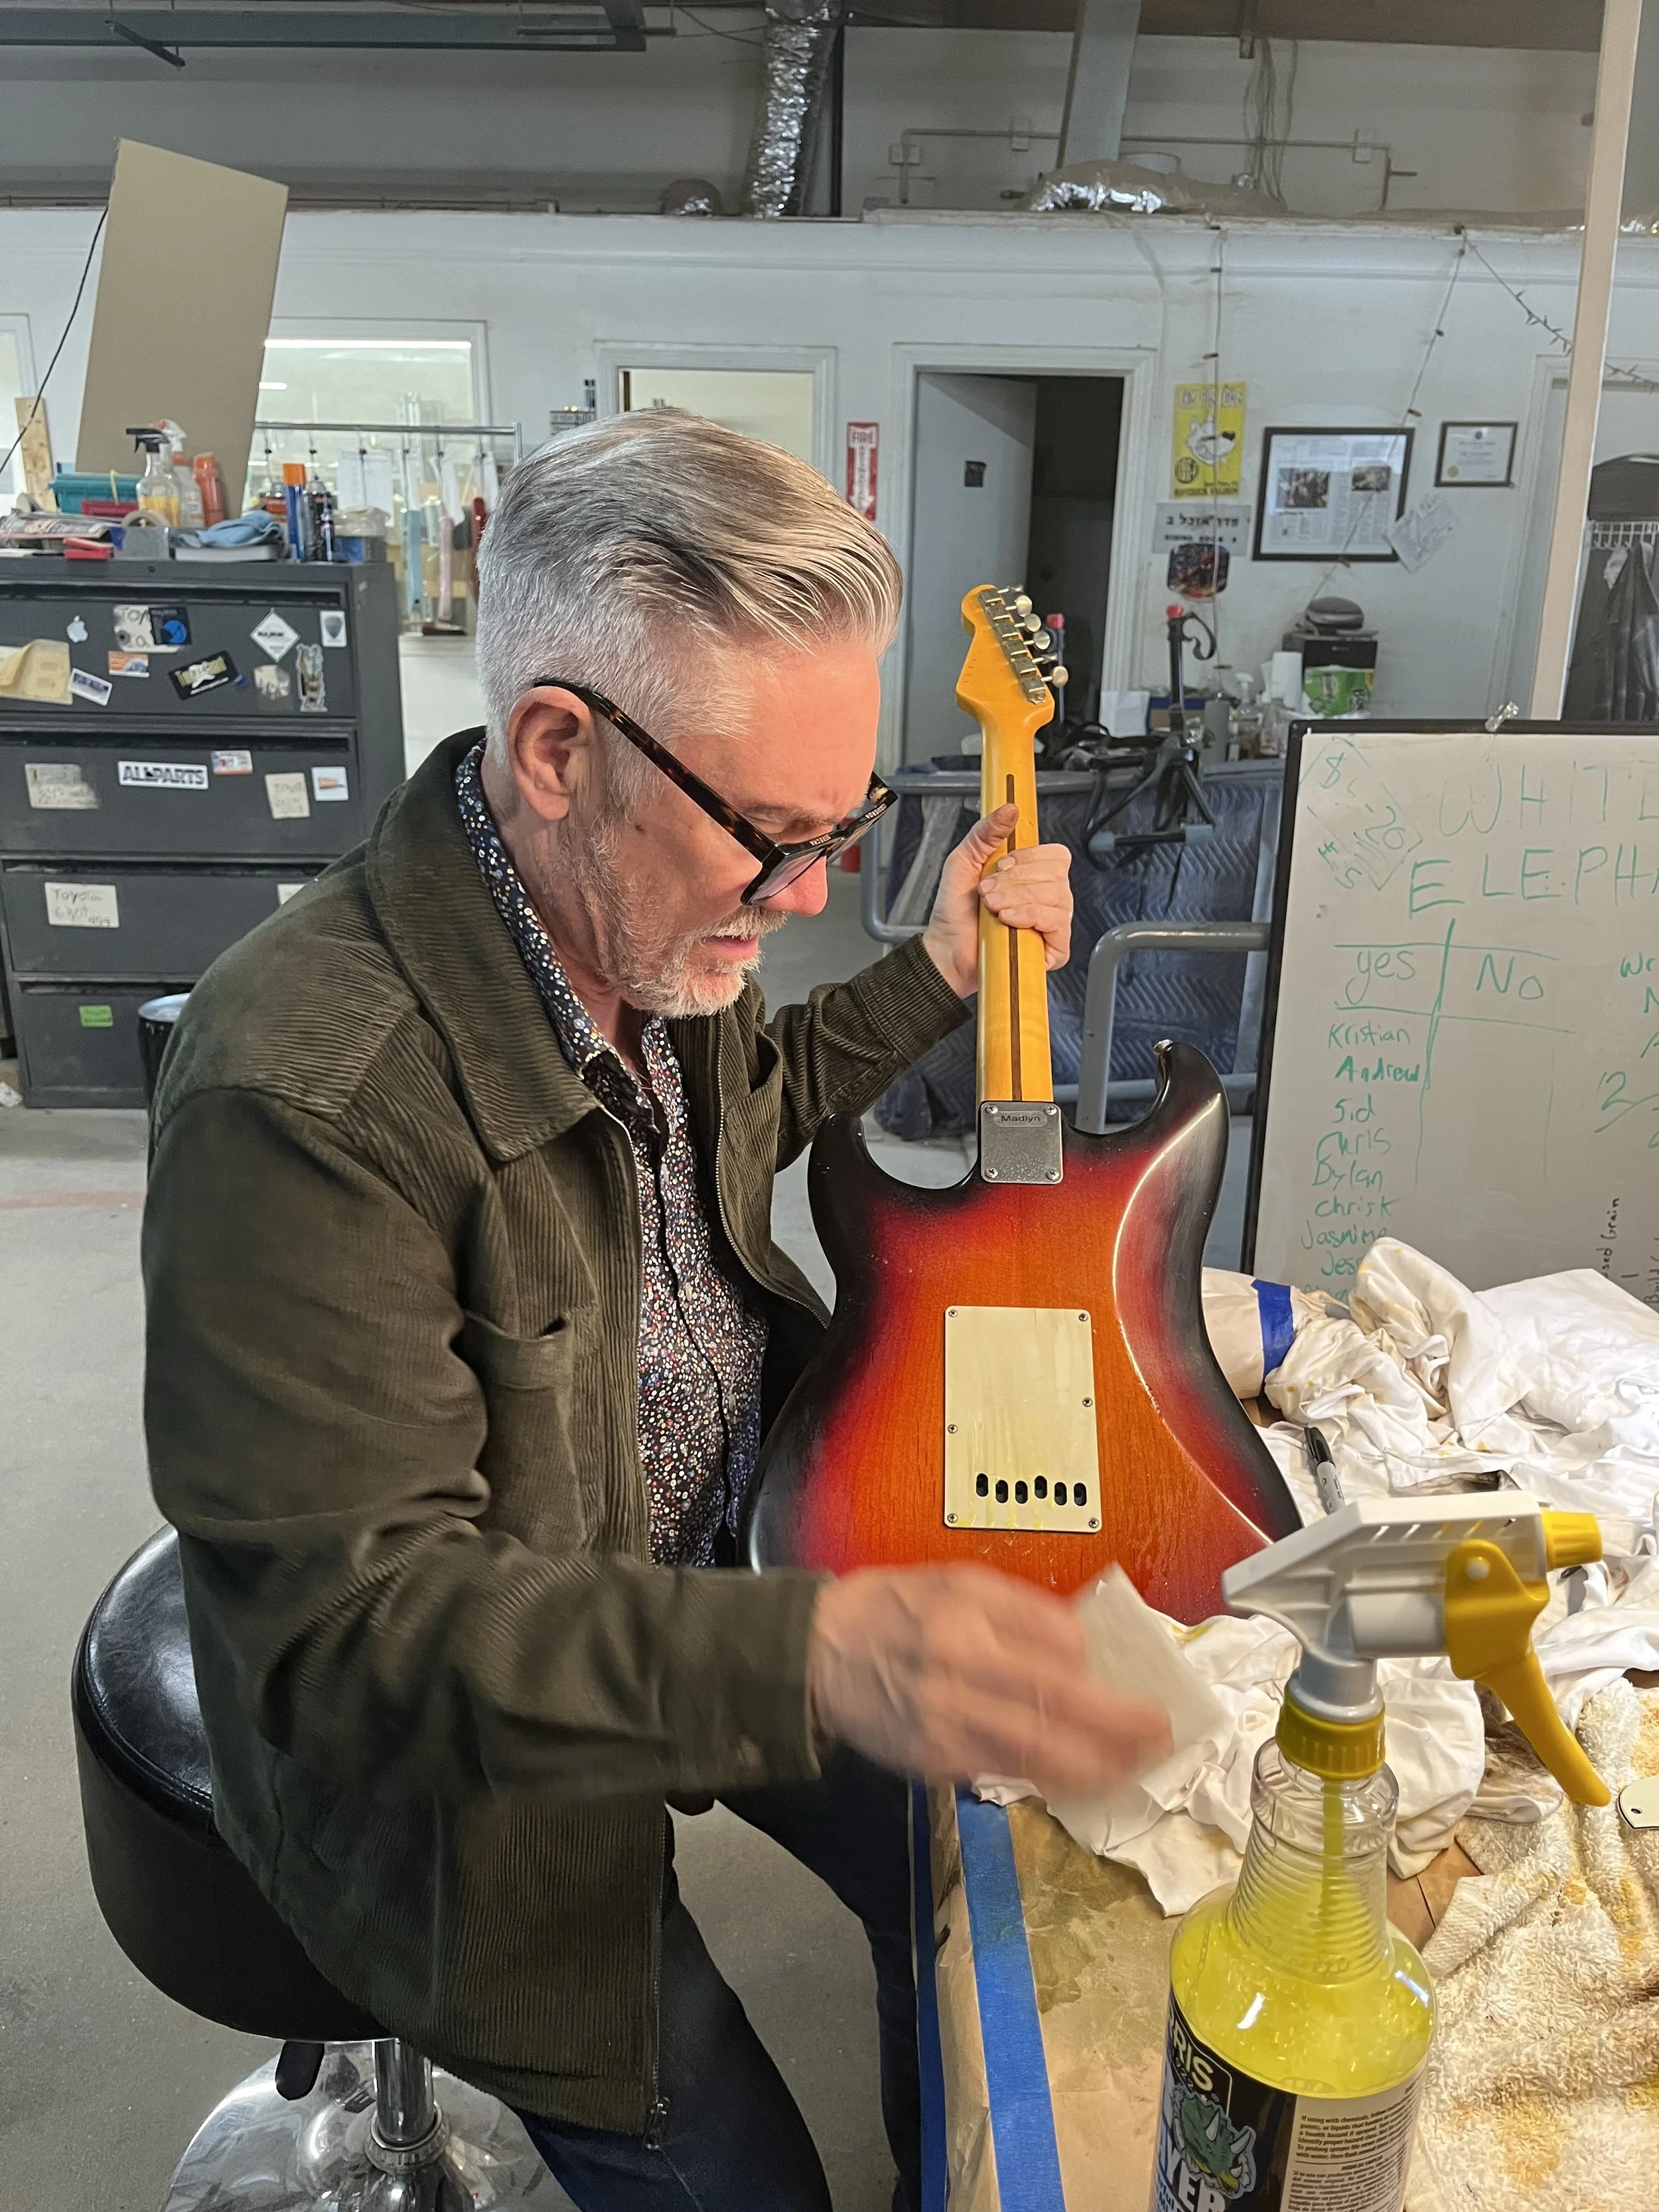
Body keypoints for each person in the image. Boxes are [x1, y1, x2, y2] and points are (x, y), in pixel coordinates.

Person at [143, 413, 1169, 2211]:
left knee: (994, 1876)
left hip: (722, 1548)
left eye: (840, 832)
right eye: (774, 835)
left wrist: (936, 966)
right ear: (556, 746)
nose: (801, 899)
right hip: (478, 1791)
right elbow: (352, 1641)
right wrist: (816, 1657)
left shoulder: (640, 919)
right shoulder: (304, 1095)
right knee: (741, 2182)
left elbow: (749, 1091)